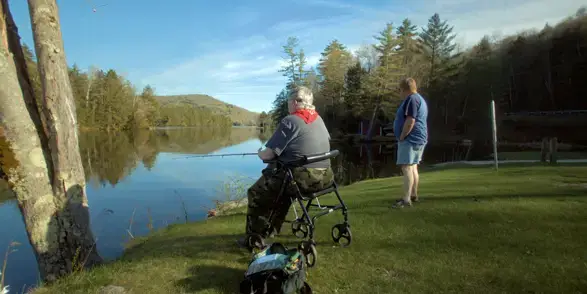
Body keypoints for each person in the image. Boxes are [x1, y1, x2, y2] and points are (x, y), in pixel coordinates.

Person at [237, 86, 334, 247]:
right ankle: (270, 230)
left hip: (302, 179)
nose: (288, 105)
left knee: (256, 192)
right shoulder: (318, 119)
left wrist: (260, 152)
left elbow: (268, 155)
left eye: (288, 101)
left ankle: (254, 238)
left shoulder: (290, 120)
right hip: (326, 178)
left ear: (296, 102)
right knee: (283, 189)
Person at [392, 78, 428, 208]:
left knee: (406, 167)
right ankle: (413, 194)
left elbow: (410, 120)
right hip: (418, 138)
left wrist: (402, 136)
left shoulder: (412, 99)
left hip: (410, 138)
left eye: (400, 90)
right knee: (413, 167)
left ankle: (406, 199)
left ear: (404, 89)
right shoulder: (420, 99)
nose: (400, 93)